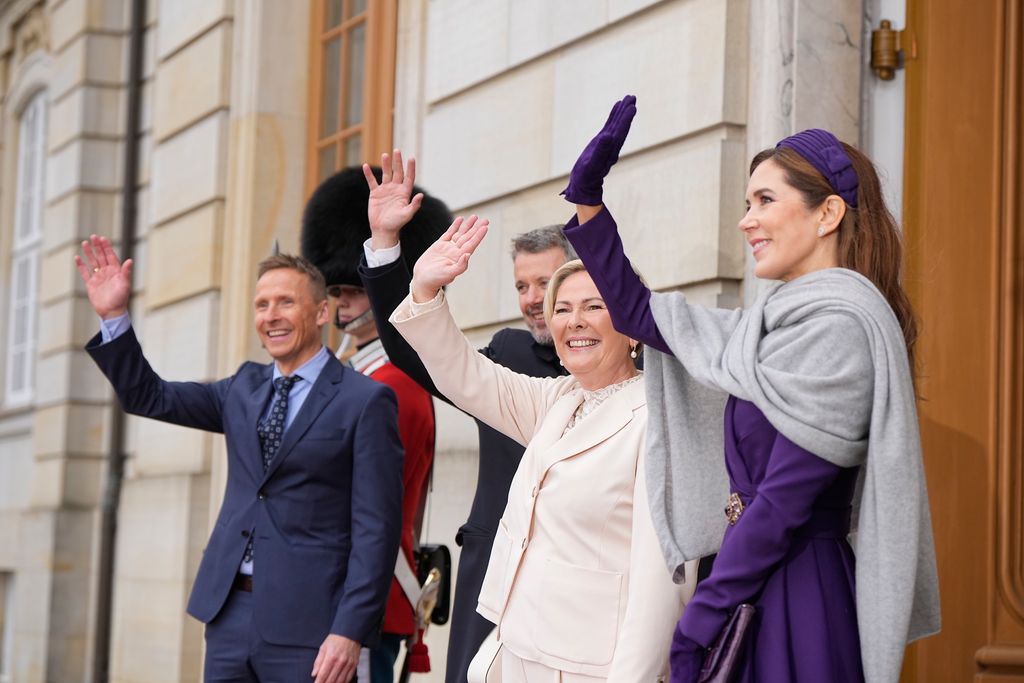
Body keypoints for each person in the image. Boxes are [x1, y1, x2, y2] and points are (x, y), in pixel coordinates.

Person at [559, 95, 941, 683]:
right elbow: (639, 314)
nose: (746, 221)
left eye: (765, 200)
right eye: (746, 203)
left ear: (828, 213)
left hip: (797, 600)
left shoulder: (841, 326)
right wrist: (589, 200)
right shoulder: (763, 329)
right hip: (749, 587)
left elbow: (784, 500)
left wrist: (699, 620)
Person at [76, 237, 404, 683]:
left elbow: (376, 529)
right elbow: (147, 396)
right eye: (261, 305)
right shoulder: (240, 389)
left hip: (312, 624)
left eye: (285, 302)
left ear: (321, 313)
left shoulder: (365, 400)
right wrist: (114, 316)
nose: (271, 316)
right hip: (228, 614)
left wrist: (349, 630)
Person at [387, 214, 697, 681]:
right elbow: (463, 375)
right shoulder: (557, 399)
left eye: (594, 306)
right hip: (512, 654)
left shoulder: (658, 419)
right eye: (563, 308)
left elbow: (661, 587)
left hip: (591, 668)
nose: (575, 322)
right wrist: (426, 290)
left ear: (634, 326)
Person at [356, 151, 573, 683]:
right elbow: (414, 353)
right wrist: (387, 249)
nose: (530, 299)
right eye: (521, 286)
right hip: (492, 574)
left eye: (543, 284)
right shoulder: (507, 355)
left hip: (575, 583)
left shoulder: (627, 371)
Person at [301, 166, 449, 682]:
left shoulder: (393, 384)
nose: (339, 300)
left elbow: (366, 505)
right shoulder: (356, 374)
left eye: (352, 288)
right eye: (335, 288)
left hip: (365, 601)